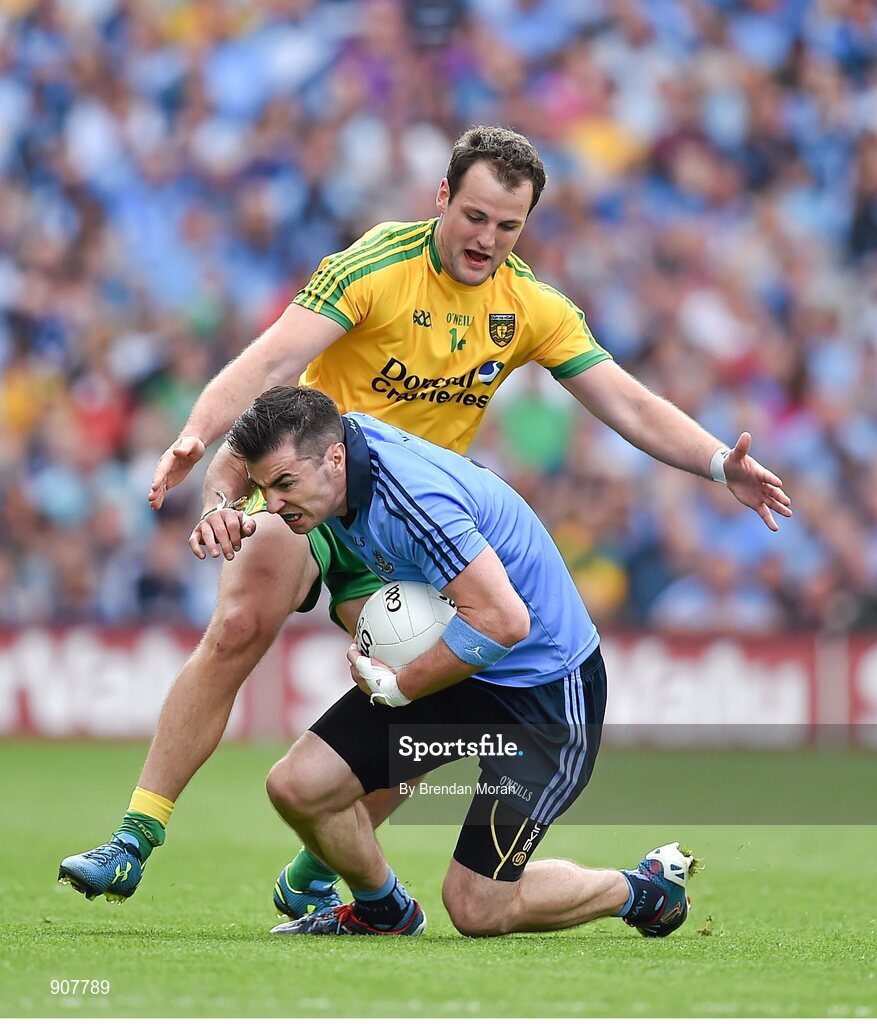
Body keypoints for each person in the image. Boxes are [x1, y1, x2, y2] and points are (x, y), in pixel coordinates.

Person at [58, 125, 791, 913]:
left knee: (412, 672)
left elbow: (628, 403)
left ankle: (336, 869)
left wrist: (720, 464)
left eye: (508, 226)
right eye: (474, 216)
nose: (487, 239)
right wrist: (197, 437)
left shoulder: (529, 306)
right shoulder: (376, 265)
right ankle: (136, 835)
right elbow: (271, 360)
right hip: (312, 479)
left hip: (411, 529)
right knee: (239, 625)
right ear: (441, 197)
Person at [230, 384, 697, 938]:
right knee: (298, 786)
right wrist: (220, 505)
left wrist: (401, 684)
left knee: (477, 908)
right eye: (264, 489)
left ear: (333, 457)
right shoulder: (335, 467)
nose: (273, 505)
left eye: (284, 485)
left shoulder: (411, 498)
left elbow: (505, 621)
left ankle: (646, 890)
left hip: (545, 693)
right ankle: (383, 913)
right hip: (464, 661)